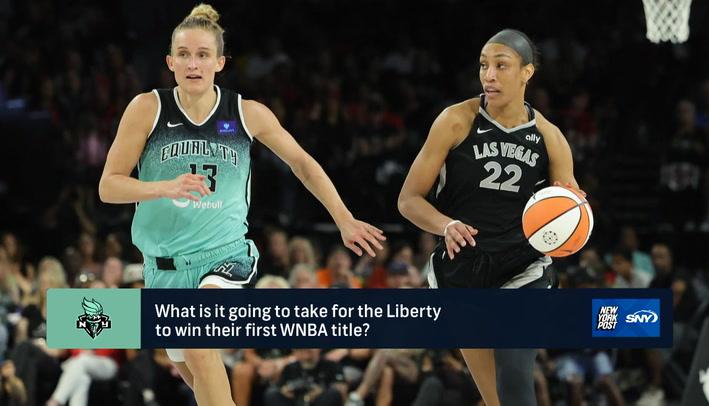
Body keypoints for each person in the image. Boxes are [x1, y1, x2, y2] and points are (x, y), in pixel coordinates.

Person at [98, 4, 385, 406]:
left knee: (198, 337)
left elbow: (303, 163)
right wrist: (163, 187)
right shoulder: (148, 108)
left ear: (220, 61)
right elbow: (108, 186)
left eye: (202, 55)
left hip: (225, 257)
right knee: (199, 379)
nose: (192, 63)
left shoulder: (246, 113)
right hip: (163, 268)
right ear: (169, 61)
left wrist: (344, 218)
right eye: (183, 54)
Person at [398, 29, 582, 405]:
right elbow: (408, 200)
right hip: (463, 272)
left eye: (501, 65)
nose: (489, 75)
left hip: (523, 268)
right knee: (496, 397)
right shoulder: (455, 121)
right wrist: (445, 224)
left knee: (515, 381)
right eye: (484, 65)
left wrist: (575, 211)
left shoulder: (550, 138)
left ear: (527, 73)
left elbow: (571, 209)